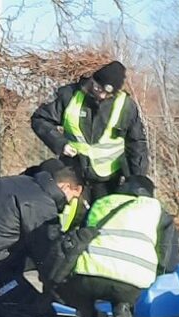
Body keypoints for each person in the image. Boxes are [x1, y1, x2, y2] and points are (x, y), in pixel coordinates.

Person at [0, 159, 85, 317]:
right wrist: (77, 301)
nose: (69, 203)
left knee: (33, 254)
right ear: (65, 186)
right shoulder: (40, 205)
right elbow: (49, 256)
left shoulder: (17, 183)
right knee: (41, 314)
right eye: (73, 197)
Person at [53, 175, 179, 317]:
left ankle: (89, 314)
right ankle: (122, 306)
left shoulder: (101, 202)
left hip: (88, 275)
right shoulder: (157, 210)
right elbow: (168, 255)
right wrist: (158, 272)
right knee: (124, 289)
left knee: (81, 284)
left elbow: (82, 236)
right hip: (130, 282)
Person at [30, 60, 149, 227]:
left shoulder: (126, 106)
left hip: (109, 179)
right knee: (67, 222)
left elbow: (137, 144)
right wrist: (60, 143)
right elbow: (40, 119)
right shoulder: (69, 95)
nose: (101, 95)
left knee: (103, 224)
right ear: (93, 80)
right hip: (74, 173)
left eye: (108, 94)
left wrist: (137, 181)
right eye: (99, 89)